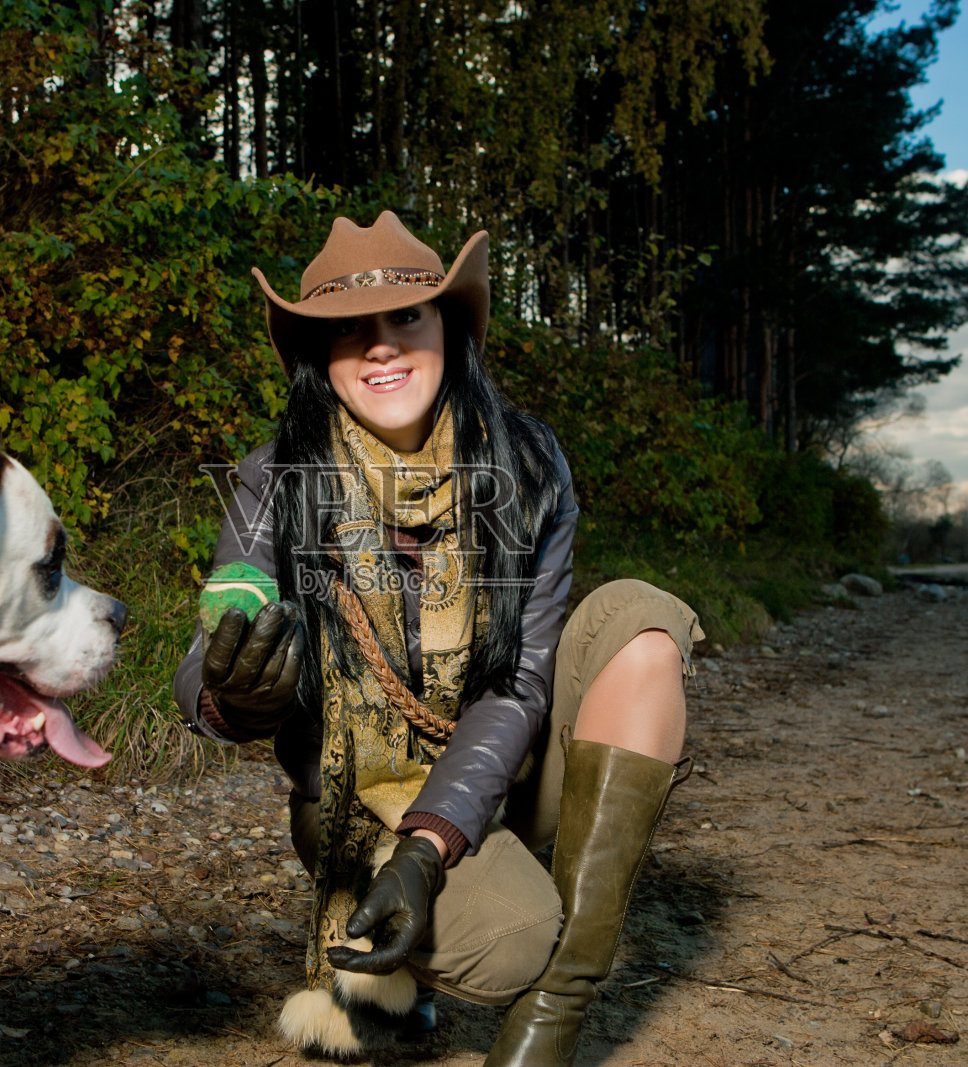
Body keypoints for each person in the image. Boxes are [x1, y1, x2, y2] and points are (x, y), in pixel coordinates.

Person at [173, 211, 704, 1065]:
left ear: (450, 327)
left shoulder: (529, 464)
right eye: (350, 328)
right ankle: (416, 948)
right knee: (518, 936)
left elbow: (521, 683)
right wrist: (235, 695)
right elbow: (203, 653)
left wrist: (430, 849)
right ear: (323, 357)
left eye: (406, 317)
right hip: (363, 797)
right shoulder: (271, 478)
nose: (380, 347)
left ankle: (551, 1022)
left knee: (642, 623)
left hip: (509, 765)